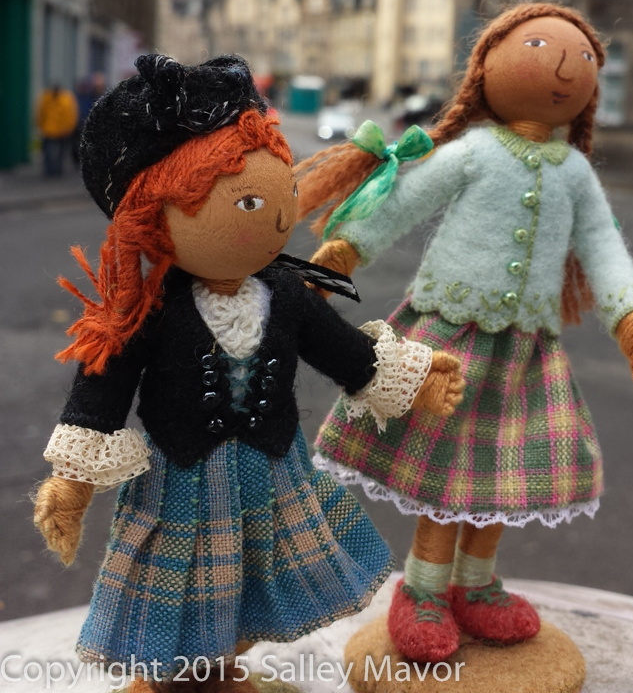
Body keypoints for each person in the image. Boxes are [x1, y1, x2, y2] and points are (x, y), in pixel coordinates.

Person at [32, 54, 464, 692]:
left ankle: (226, 665)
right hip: (182, 481)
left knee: (260, 582)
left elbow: (343, 351)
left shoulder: (286, 293)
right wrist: (72, 481)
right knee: (178, 589)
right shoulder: (152, 309)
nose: (279, 219)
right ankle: (170, 677)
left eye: (282, 193)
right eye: (251, 202)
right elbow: (104, 387)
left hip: (272, 473)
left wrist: (409, 379)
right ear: (157, 217)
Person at [296, 2, 633, 663]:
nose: (566, 64)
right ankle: (423, 589)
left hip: (526, 351)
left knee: (503, 473)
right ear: (485, 67)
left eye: (584, 57)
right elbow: (405, 199)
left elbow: (603, 245)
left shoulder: (575, 174)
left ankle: (475, 585)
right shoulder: (473, 153)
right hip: (451, 337)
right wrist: (346, 250)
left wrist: (631, 314)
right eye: (540, 47)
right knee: (445, 469)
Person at [36, 84, 79, 176]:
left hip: (60, 131)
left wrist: (69, 128)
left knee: (59, 152)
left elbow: (71, 115)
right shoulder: (51, 98)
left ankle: (56, 170)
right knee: (49, 152)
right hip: (50, 130)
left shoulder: (64, 99)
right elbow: (41, 114)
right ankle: (51, 170)